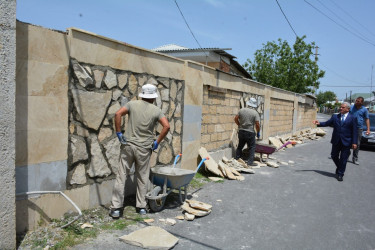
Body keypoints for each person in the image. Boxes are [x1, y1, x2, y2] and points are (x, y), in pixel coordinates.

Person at [110, 84, 170, 217]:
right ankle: (141, 207)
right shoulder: (156, 110)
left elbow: (118, 113)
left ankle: (116, 208)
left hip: (128, 145)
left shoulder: (132, 104)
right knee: (142, 177)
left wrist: (119, 133)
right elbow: (166, 126)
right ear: (154, 97)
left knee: (121, 176)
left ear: (142, 95)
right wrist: (157, 142)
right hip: (144, 148)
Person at [313, 102, 357, 182]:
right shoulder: (335, 116)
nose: (341, 108)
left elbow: (354, 131)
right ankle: (340, 167)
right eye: (340, 107)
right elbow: (327, 123)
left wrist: (354, 142)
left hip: (347, 141)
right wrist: (319, 123)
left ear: (348, 109)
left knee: (343, 158)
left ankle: (340, 174)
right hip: (336, 140)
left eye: (343, 107)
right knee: (333, 155)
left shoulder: (353, 118)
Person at [234, 97, 260, 167]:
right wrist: (258, 132)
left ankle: (237, 159)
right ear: (254, 105)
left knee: (240, 146)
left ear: (248, 103)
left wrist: (239, 125)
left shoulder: (241, 110)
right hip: (250, 132)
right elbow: (257, 124)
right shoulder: (255, 113)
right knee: (252, 147)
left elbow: (236, 118)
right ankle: (250, 162)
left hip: (241, 131)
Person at [350, 97, 370, 165]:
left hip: (359, 128)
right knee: (348, 141)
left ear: (362, 102)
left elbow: (367, 119)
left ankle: (355, 158)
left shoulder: (364, 109)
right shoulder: (351, 107)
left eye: (358, 101)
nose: (356, 102)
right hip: (350, 127)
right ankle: (346, 155)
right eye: (356, 101)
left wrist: (368, 129)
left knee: (357, 144)